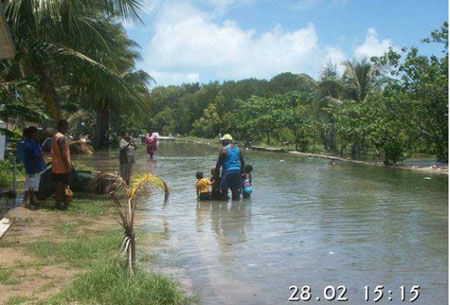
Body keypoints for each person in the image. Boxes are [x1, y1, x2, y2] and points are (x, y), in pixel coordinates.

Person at [21, 127, 46, 209]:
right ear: (34, 134)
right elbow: (36, 155)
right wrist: (42, 153)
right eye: (36, 133)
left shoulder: (32, 142)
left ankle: (31, 200)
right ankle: (24, 201)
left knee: (33, 186)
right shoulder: (30, 143)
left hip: (35, 168)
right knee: (30, 185)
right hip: (32, 168)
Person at [215, 134, 245, 200]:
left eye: (223, 141)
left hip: (228, 171)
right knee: (235, 191)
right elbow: (242, 162)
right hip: (237, 171)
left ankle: (224, 208)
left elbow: (219, 163)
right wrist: (242, 173)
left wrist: (216, 175)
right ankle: (235, 208)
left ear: (228, 141)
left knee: (224, 191)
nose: (222, 142)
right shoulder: (238, 149)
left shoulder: (224, 149)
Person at [51, 119, 72, 210]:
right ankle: (62, 203)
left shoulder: (55, 136)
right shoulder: (61, 138)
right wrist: (68, 165)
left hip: (55, 164)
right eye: (66, 127)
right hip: (62, 166)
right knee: (63, 185)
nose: (67, 129)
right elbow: (64, 153)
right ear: (62, 127)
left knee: (58, 184)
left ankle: (58, 202)